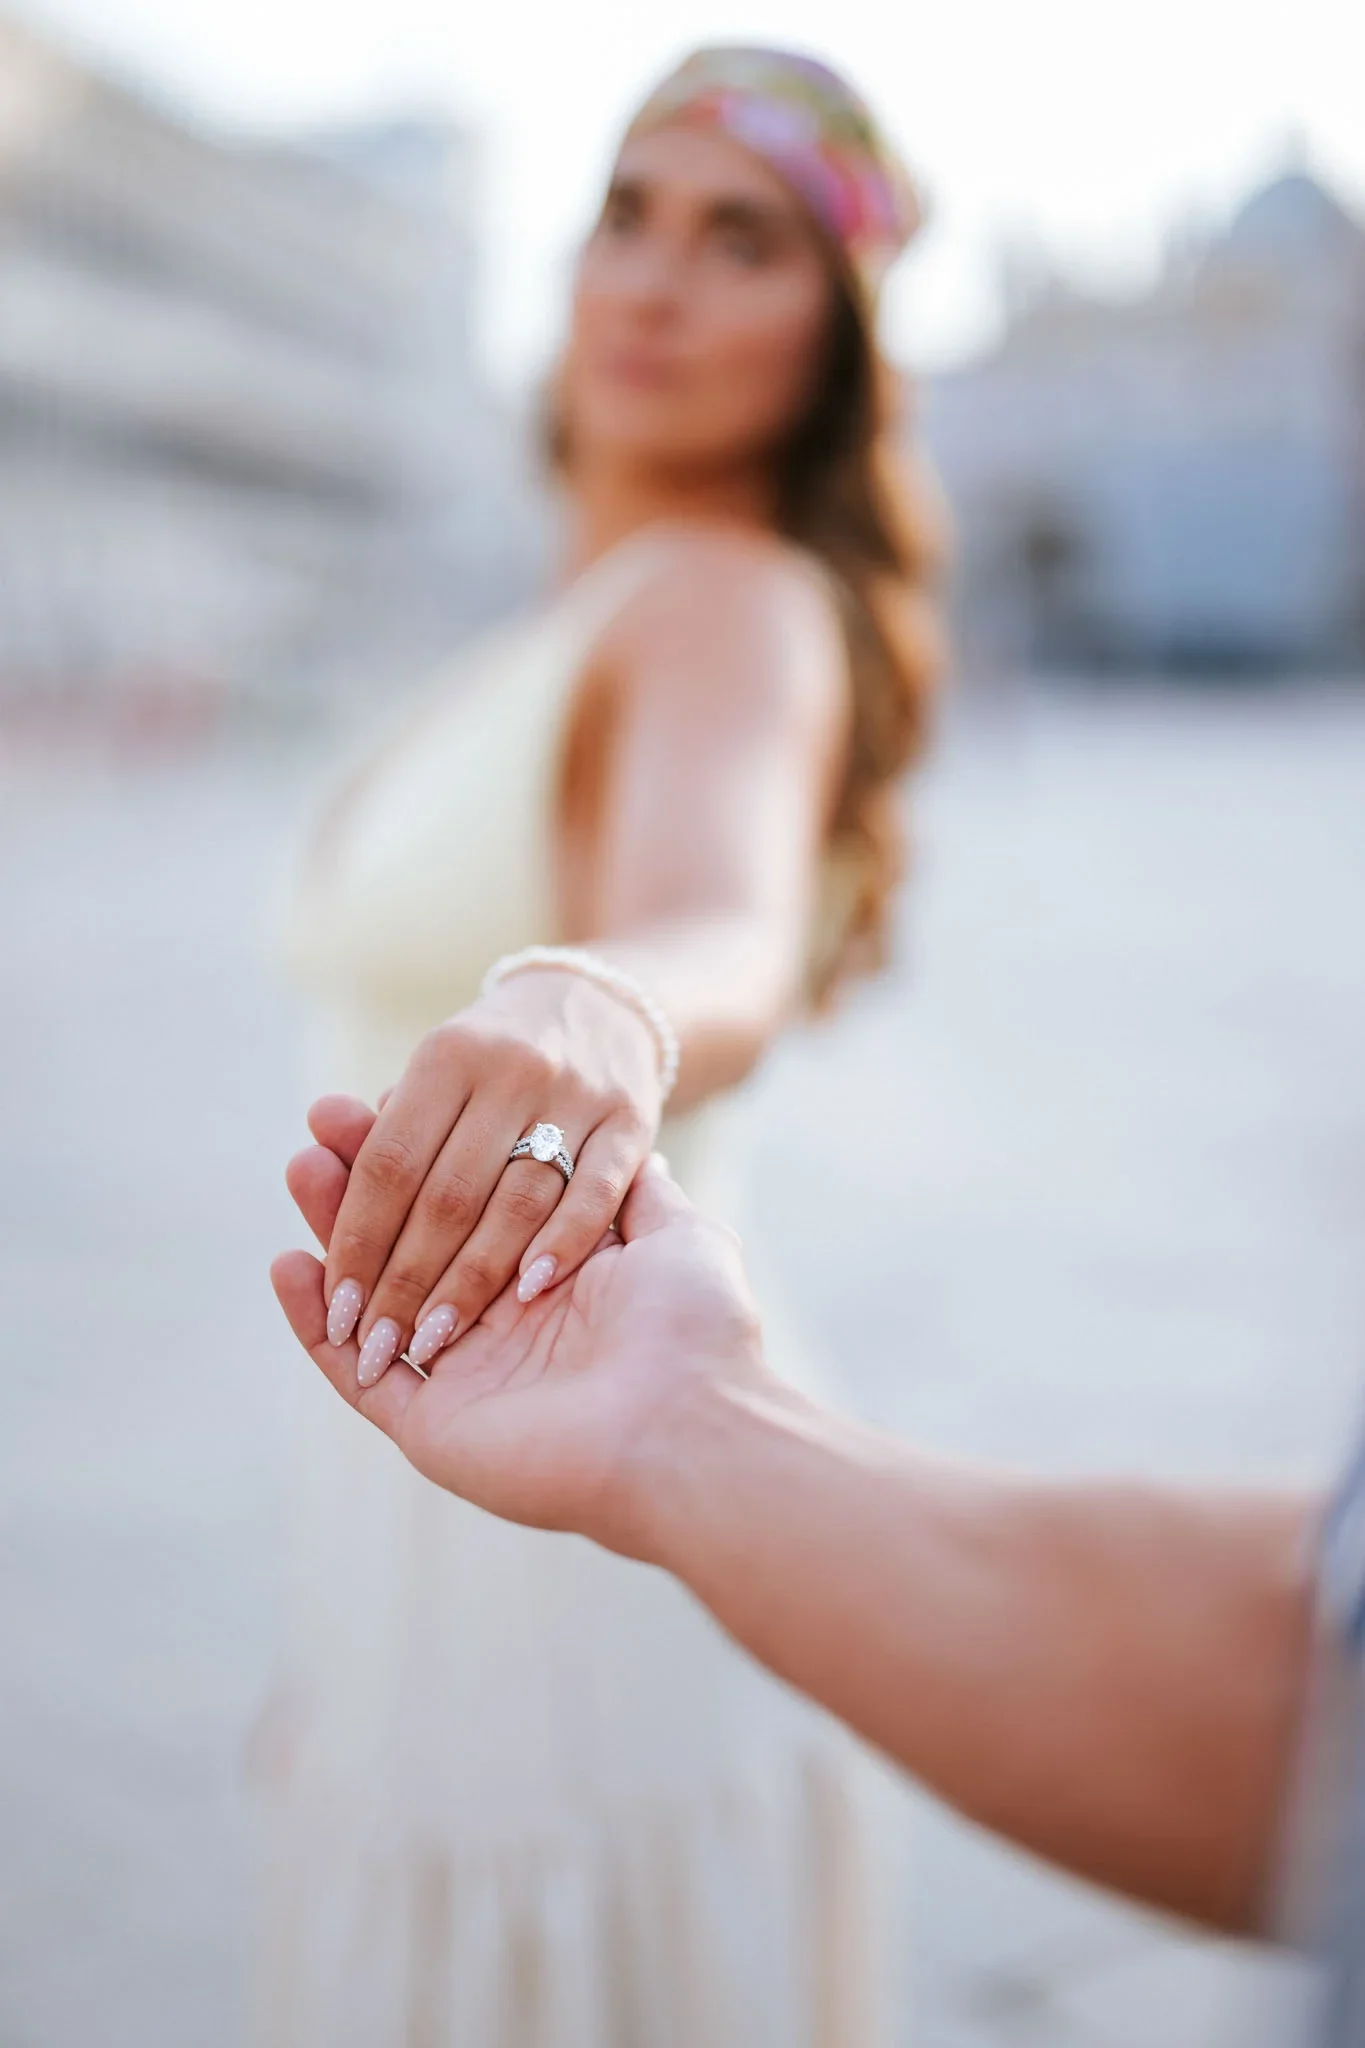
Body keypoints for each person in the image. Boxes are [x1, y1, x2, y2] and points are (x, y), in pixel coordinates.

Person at [259, 45, 946, 2048]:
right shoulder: (570, 612)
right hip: (426, 1513)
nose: (653, 284)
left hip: (578, 1553)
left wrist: (600, 996)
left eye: (740, 241)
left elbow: (715, 913)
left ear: (832, 339)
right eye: (622, 219)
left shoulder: (730, 604)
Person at [275, 1135, 1363, 2042]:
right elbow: (1300, 1669)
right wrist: (684, 1427)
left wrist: (593, 1000)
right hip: (530, 1440)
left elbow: (723, 943)